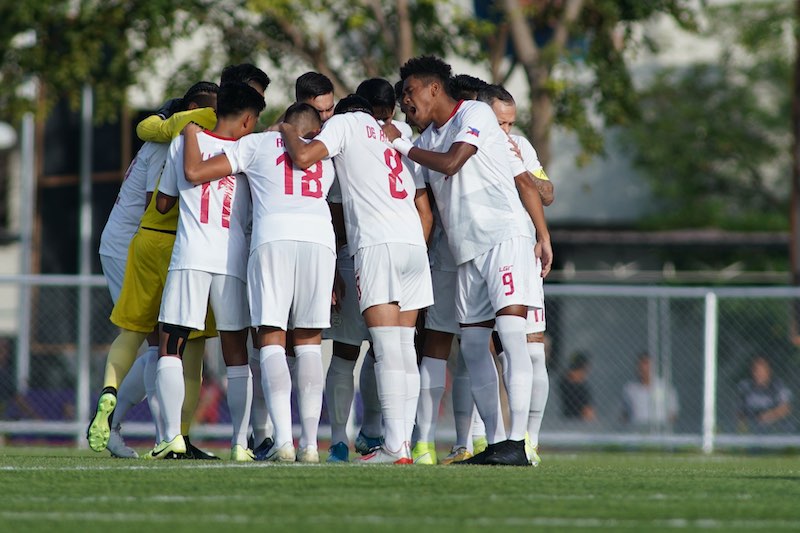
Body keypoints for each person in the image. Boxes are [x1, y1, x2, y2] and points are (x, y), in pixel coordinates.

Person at [385, 55, 552, 466]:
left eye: (409, 92)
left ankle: (519, 441)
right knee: (475, 346)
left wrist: (542, 234)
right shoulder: (423, 143)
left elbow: (467, 165)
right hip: (466, 255)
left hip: (506, 240)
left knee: (513, 338)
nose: (405, 101)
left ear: (433, 89)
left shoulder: (474, 113)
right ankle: (495, 443)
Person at [280, 94, 433, 464]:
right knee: (404, 350)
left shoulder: (345, 124)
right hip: (414, 245)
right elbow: (423, 207)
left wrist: (285, 128)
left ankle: (394, 447)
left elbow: (302, 157)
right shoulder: (395, 134)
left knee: (384, 352)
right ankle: (404, 444)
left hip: (376, 245)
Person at [184, 102, 337, 463]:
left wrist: (191, 133)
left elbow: (196, 171)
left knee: (271, 338)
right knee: (309, 343)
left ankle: (282, 440)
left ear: (283, 123)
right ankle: (311, 444)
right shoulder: (326, 155)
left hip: (273, 239)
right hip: (320, 241)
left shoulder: (257, 144)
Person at [86, 82, 220, 458]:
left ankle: (131, 424)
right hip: (134, 246)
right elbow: (156, 204)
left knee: (158, 344)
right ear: (193, 109)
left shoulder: (169, 134)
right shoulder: (171, 141)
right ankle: (159, 434)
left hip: (133, 244)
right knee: (162, 346)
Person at [150, 82, 265, 461]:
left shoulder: (187, 141)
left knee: (171, 346)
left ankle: (171, 437)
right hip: (233, 260)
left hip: (191, 255)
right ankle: (240, 444)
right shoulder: (252, 148)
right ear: (248, 119)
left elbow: (164, 203)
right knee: (236, 353)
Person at [478, 83, 554, 465]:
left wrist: (522, 169)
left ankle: (530, 441)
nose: (505, 130)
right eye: (500, 122)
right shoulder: (472, 141)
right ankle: (478, 439)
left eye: (510, 123)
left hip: (521, 252)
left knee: (532, 350)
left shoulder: (520, 145)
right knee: (481, 348)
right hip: (481, 250)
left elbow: (547, 192)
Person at [620, 353, 679, 431]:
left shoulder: (664, 387)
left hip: (659, 433)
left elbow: (673, 412)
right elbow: (625, 413)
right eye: (640, 365)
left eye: (646, 364)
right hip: (636, 433)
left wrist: (666, 429)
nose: (643, 368)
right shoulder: (629, 389)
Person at [737, 356, 793, 433]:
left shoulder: (778, 385)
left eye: (762, 370)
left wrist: (769, 416)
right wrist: (743, 426)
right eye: (756, 370)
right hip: (752, 426)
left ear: (769, 371)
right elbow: (740, 410)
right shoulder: (745, 386)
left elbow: (785, 408)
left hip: (775, 427)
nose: (759, 373)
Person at [559, 352, 595, 422]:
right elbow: (588, 412)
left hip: (577, 419)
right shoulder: (567, 383)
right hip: (574, 419)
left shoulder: (583, 386)